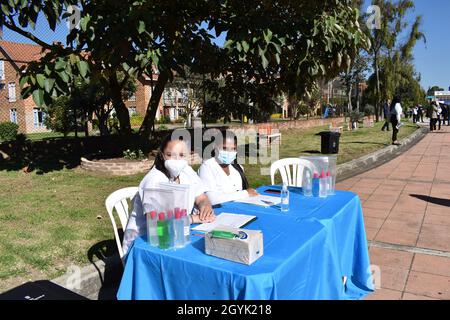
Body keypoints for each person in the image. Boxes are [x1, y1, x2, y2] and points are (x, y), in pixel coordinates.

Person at [122, 134, 215, 255]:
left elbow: (201, 196)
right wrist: (193, 218)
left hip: (177, 235)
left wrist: (205, 207)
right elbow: (156, 223)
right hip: (148, 244)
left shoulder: (186, 171)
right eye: (170, 155)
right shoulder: (154, 180)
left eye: (182, 155)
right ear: (161, 155)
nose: (176, 160)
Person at [198, 132, 259, 206]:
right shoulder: (207, 168)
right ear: (215, 147)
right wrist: (245, 193)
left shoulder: (237, 168)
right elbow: (212, 200)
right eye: (224, 148)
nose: (229, 152)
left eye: (233, 149)